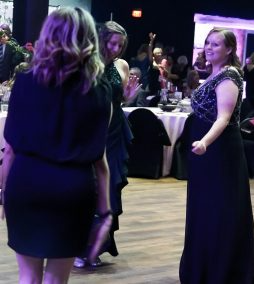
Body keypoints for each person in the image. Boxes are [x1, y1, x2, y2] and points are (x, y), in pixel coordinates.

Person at [1, 7, 113, 283]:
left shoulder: (25, 81)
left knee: (28, 278)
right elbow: (100, 158)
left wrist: (3, 192)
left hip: (26, 184)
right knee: (57, 280)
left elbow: (10, 149)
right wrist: (106, 211)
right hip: (72, 189)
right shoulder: (99, 89)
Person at [179, 28, 254, 284]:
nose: (210, 47)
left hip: (220, 150)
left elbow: (224, 118)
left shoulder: (230, 75)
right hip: (206, 151)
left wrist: (204, 142)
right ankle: (201, 269)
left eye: (216, 44)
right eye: (207, 43)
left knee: (219, 211)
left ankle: (222, 273)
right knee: (203, 209)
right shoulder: (213, 73)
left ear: (229, 49)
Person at [74, 20, 140, 268]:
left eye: (120, 45)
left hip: (114, 132)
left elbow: (119, 99)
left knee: (110, 187)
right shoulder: (87, 63)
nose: (115, 48)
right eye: (112, 43)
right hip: (92, 130)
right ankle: (80, 246)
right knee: (88, 188)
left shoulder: (122, 65)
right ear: (101, 40)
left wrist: (130, 96)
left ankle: (97, 246)